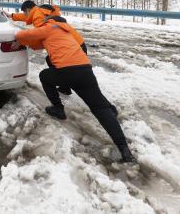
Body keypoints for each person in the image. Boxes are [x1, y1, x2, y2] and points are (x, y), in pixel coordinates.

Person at [15, 18, 135, 163]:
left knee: (44, 76)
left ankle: (58, 108)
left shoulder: (50, 27)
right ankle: (124, 150)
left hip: (66, 72)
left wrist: (18, 38)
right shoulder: (67, 32)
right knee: (100, 108)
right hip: (85, 70)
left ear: (50, 21)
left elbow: (22, 36)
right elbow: (38, 44)